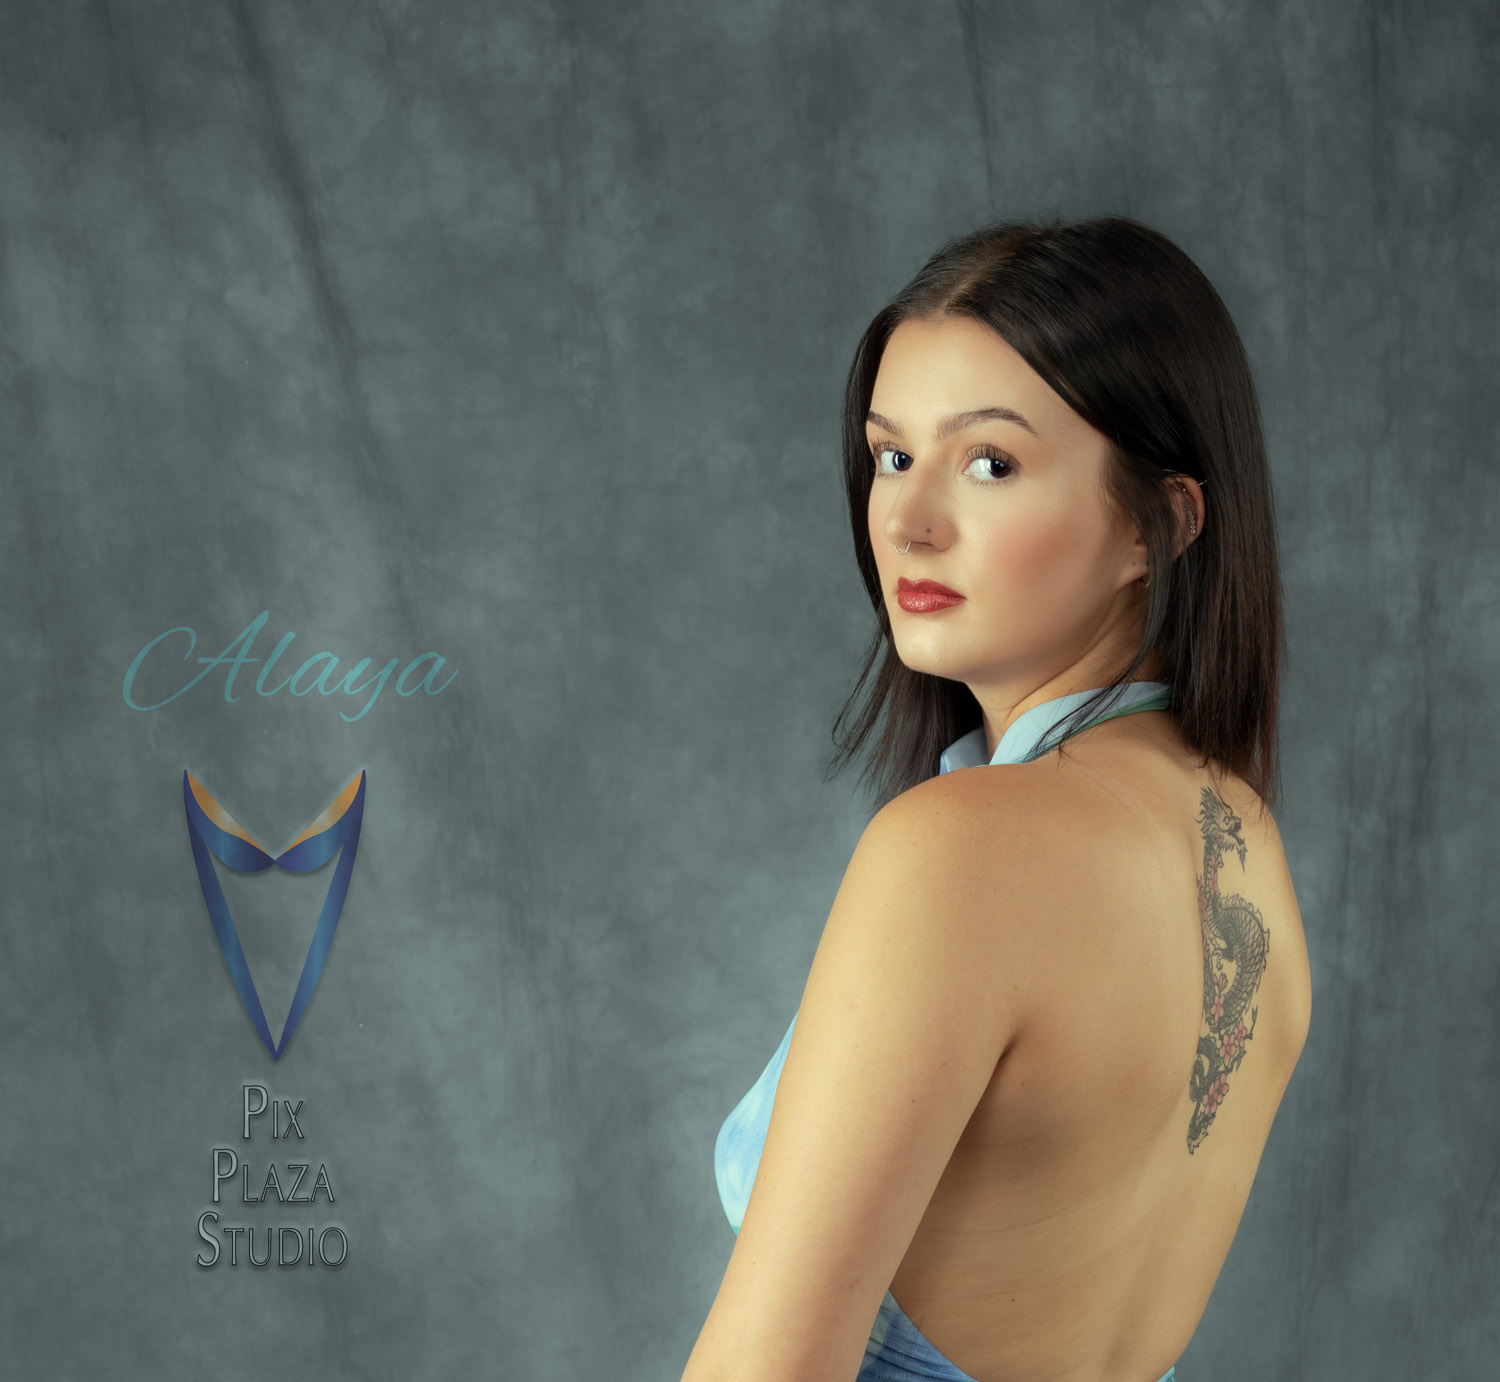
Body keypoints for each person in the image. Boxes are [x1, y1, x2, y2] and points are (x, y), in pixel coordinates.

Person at [679, 217, 1311, 1382]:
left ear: (1159, 522)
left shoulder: (961, 850)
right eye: (890, 456)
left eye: (989, 463)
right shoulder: (1244, 843)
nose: (906, 520)